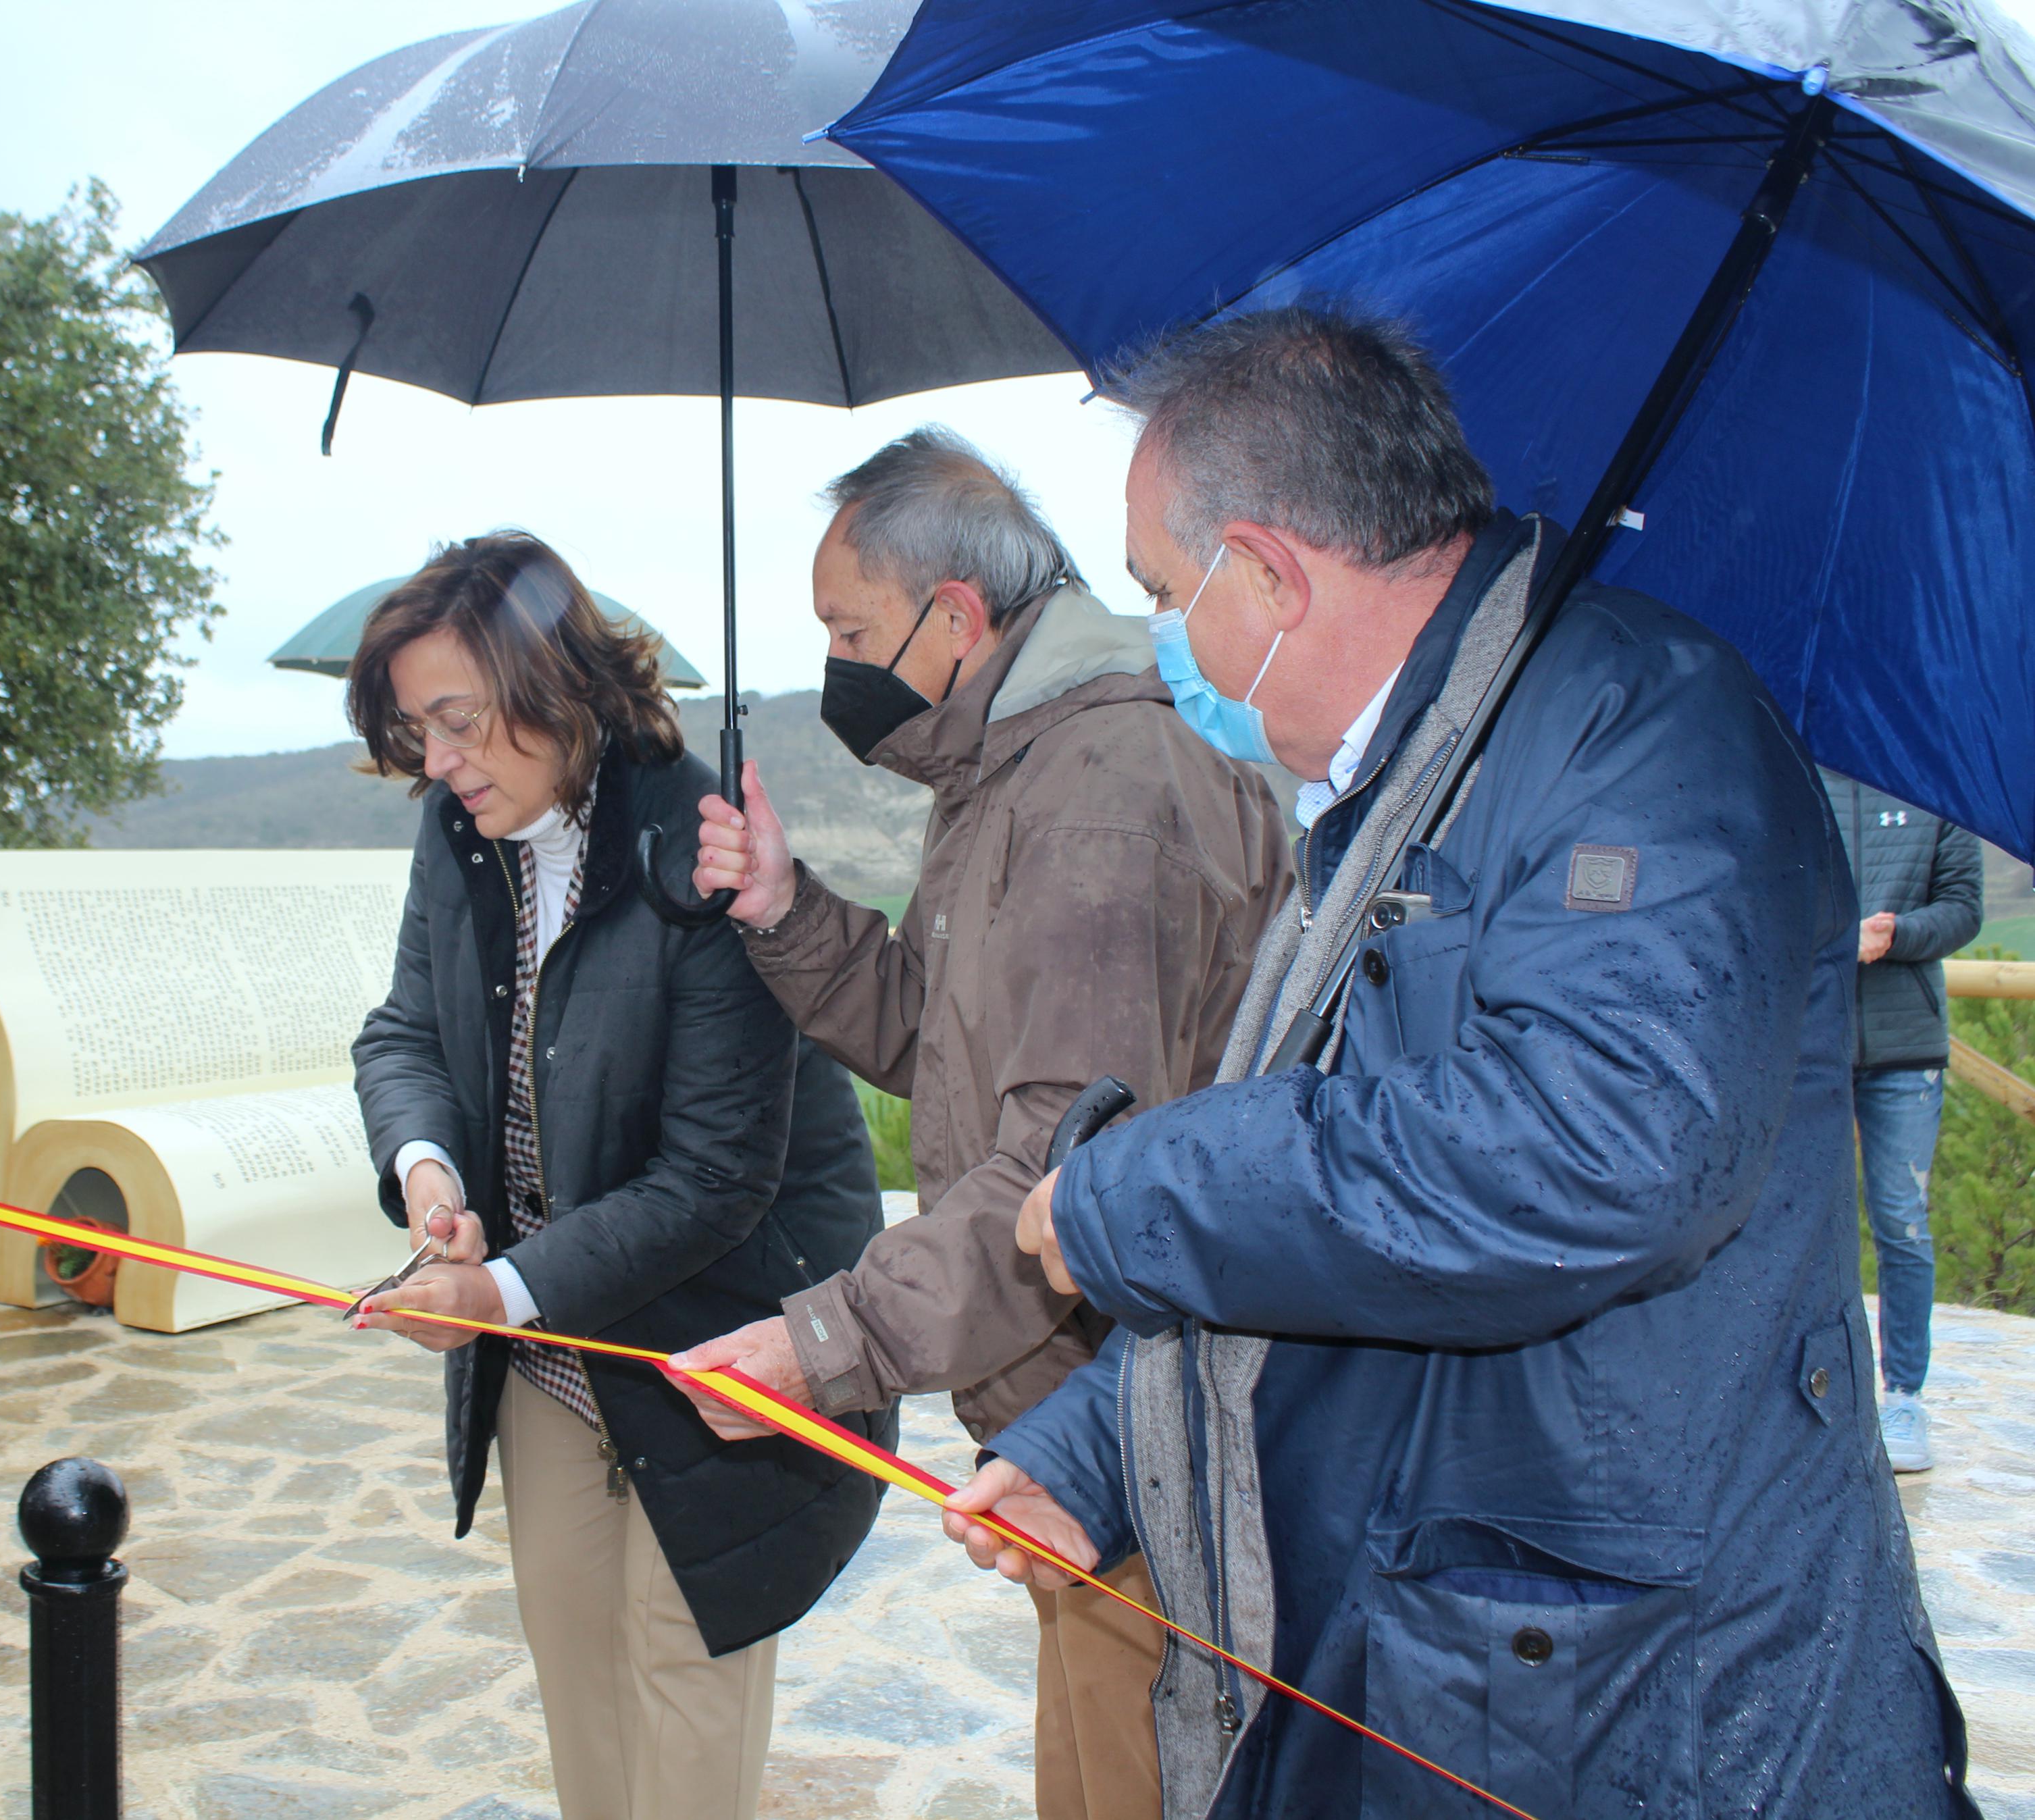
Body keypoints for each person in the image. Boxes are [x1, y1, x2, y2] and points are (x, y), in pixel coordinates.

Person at [942, 307, 1968, 1817]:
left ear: (1269, 574)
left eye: (1166, 594)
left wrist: (1123, 1190)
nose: (1168, 645)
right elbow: (1352, 1188)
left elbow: (1597, 1155)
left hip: (1632, 1685)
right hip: (1470, 1628)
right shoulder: (1421, 763)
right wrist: (1098, 1450)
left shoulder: (1644, 736)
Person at [665, 429, 1290, 1820]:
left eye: (850, 629)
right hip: (1088, 1419)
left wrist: (820, 1342)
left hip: (1131, 1430)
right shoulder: (1008, 775)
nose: (834, 663)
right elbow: (947, 1051)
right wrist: (786, 909)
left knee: (1125, 1784)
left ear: (954, 618)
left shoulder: (1091, 798)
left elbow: (1063, 1168)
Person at [345, 534, 891, 1820]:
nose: (437, 762)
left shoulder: (694, 853)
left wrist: (502, 1290)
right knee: (575, 1670)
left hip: (721, 1342)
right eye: (417, 730)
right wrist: (428, 1174)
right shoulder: (458, 831)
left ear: (553, 687)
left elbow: (714, 1180)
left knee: (680, 1684)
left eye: (458, 722)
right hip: (546, 1344)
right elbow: (404, 1034)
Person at [1824, 769, 1983, 1474]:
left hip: (1905, 1046)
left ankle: (1904, 1395)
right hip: (1813, 1039)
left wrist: (1898, 934)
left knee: (1901, 1220)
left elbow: (1964, 908)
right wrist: (1831, 936)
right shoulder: (1802, 776)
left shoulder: (1934, 785)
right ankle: (1819, 1389)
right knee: (1809, 1222)